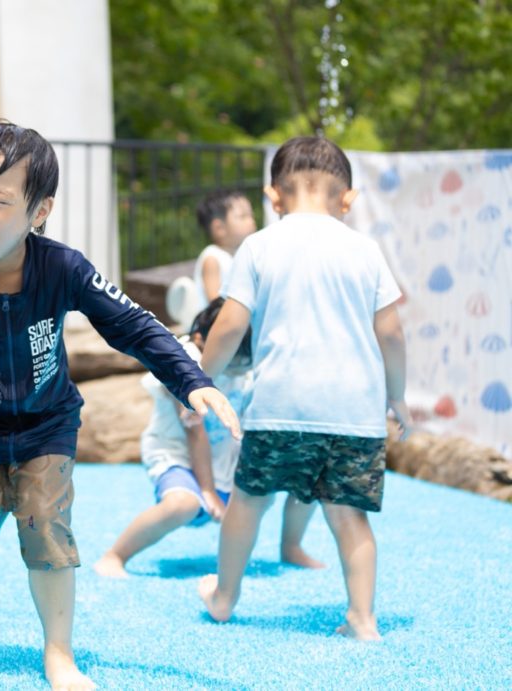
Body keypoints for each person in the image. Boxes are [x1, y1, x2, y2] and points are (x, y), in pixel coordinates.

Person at [0, 121, 241, 690]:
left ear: (39, 212)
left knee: (48, 535)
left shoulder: (63, 268)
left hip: (44, 428)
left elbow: (132, 324)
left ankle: (59, 652)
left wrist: (190, 378)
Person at [197, 136, 411, 641]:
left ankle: (225, 598)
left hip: (279, 407)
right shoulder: (365, 249)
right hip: (354, 413)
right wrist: (396, 396)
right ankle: (362, 618)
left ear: (274, 197)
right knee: (349, 518)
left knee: (248, 501)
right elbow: (392, 333)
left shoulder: (259, 246)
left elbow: (229, 325)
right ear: (348, 198)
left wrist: (199, 378)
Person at [95, 297, 322, 578]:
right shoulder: (182, 358)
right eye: (232, 362)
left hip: (223, 459)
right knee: (184, 505)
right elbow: (195, 430)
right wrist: (207, 490)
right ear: (203, 339)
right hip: (177, 455)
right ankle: (115, 555)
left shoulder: (246, 360)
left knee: (304, 475)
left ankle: (291, 547)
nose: (236, 370)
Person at [193, 189, 256, 308]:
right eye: (243, 216)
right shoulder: (212, 258)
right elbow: (215, 302)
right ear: (219, 228)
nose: (251, 221)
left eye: (251, 215)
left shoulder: (240, 253)